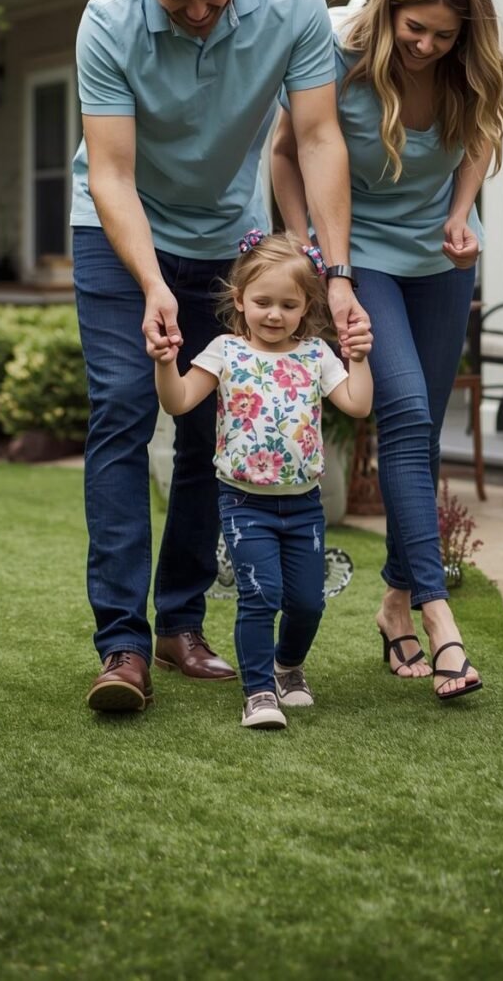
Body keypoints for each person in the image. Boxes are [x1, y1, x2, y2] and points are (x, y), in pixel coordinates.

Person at [72, 0, 369, 713]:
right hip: (117, 229)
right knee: (124, 408)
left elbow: (318, 137)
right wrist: (151, 282)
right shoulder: (108, 19)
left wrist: (337, 271)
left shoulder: (293, 0)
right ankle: (122, 644)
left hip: (225, 236)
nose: (199, 12)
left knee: (214, 427)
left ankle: (180, 622)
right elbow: (111, 173)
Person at [271, 0, 503, 701]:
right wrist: (309, 247)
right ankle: (440, 618)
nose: (426, 45)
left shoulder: (468, 65)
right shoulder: (337, 49)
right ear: (388, 10)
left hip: (441, 261)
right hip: (359, 253)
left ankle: (395, 604)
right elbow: (287, 152)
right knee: (403, 413)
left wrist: (461, 212)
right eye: (415, 28)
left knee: (424, 428)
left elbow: (481, 132)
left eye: (443, 34)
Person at [151, 230, 373, 729]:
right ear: (240, 299)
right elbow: (178, 401)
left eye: (288, 305)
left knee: (307, 602)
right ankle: (258, 692)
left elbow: (358, 404)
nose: (274, 314)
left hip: (304, 505)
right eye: (263, 302)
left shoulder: (316, 355)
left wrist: (357, 358)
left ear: (307, 306)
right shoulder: (225, 351)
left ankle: (287, 666)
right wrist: (166, 364)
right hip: (243, 504)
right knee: (261, 595)